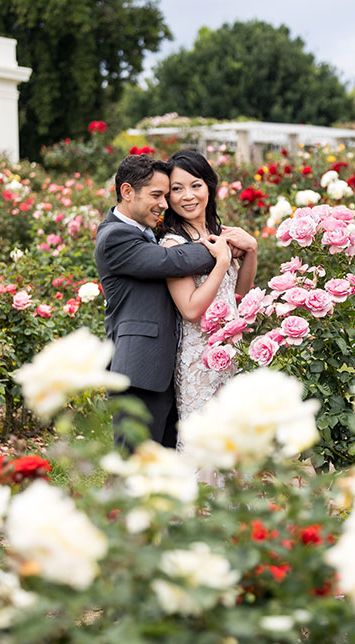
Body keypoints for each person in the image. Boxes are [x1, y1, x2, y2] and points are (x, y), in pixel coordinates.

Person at [94, 154, 231, 449]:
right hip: (138, 370)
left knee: (163, 466)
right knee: (136, 466)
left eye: (166, 195)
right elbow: (171, 260)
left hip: (166, 369)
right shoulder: (115, 236)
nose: (165, 204)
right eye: (157, 195)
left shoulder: (144, 232)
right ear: (128, 192)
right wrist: (225, 247)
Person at [159, 150, 258, 438]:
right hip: (198, 359)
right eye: (177, 189)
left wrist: (251, 250)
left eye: (195, 185)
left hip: (232, 350)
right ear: (167, 196)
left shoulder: (218, 232)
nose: (187, 196)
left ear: (209, 187)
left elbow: (238, 291)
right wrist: (223, 261)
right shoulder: (173, 244)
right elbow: (190, 309)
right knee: (207, 442)